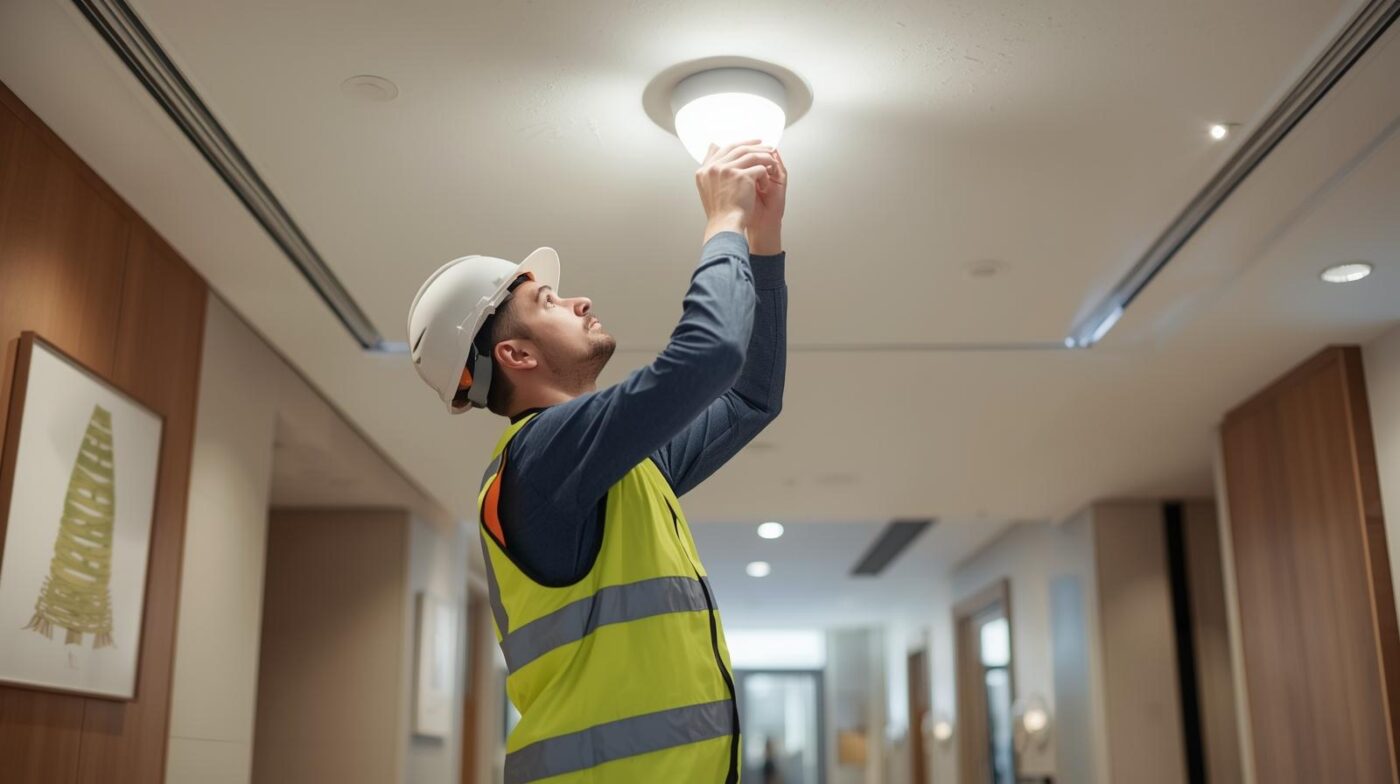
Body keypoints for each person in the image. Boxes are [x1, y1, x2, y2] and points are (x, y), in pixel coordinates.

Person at [407, 140, 789, 783]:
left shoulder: (613, 466)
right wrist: (723, 219)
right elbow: (710, 355)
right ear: (517, 357)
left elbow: (751, 397)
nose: (578, 301)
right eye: (547, 302)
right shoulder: (540, 460)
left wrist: (762, 241)